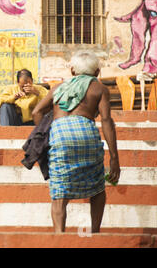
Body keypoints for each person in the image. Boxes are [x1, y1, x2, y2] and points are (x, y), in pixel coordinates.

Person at [32, 51, 120, 234]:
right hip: (86, 132)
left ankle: (59, 236)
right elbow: (106, 121)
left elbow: (36, 112)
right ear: (97, 72)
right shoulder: (99, 88)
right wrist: (114, 158)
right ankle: (95, 232)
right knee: (97, 187)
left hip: (60, 134)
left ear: (72, 70)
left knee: (59, 190)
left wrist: (47, 134)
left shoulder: (58, 88)